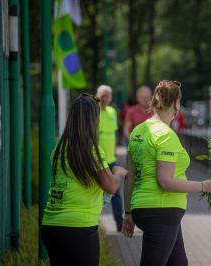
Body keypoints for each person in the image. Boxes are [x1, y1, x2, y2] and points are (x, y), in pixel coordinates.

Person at [122, 80, 211, 266]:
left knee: (179, 262)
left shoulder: (137, 131)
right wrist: (203, 186)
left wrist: (128, 212)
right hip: (162, 210)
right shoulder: (166, 135)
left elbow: (130, 176)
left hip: (143, 208)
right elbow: (165, 181)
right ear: (176, 103)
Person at [41, 94, 127, 266]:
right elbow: (110, 186)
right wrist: (118, 172)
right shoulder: (91, 150)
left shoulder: (59, 147)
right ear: (93, 119)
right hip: (78, 228)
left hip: (51, 226)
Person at [96, 85, 123, 231]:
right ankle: (93, 222)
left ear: (111, 98)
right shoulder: (94, 112)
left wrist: (115, 152)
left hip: (111, 159)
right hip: (96, 160)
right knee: (96, 191)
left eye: (107, 96)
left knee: (115, 192)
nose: (105, 98)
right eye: (102, 95)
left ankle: (120, 223)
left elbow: (113, 135)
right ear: (97, 95)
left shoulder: (113, 112)